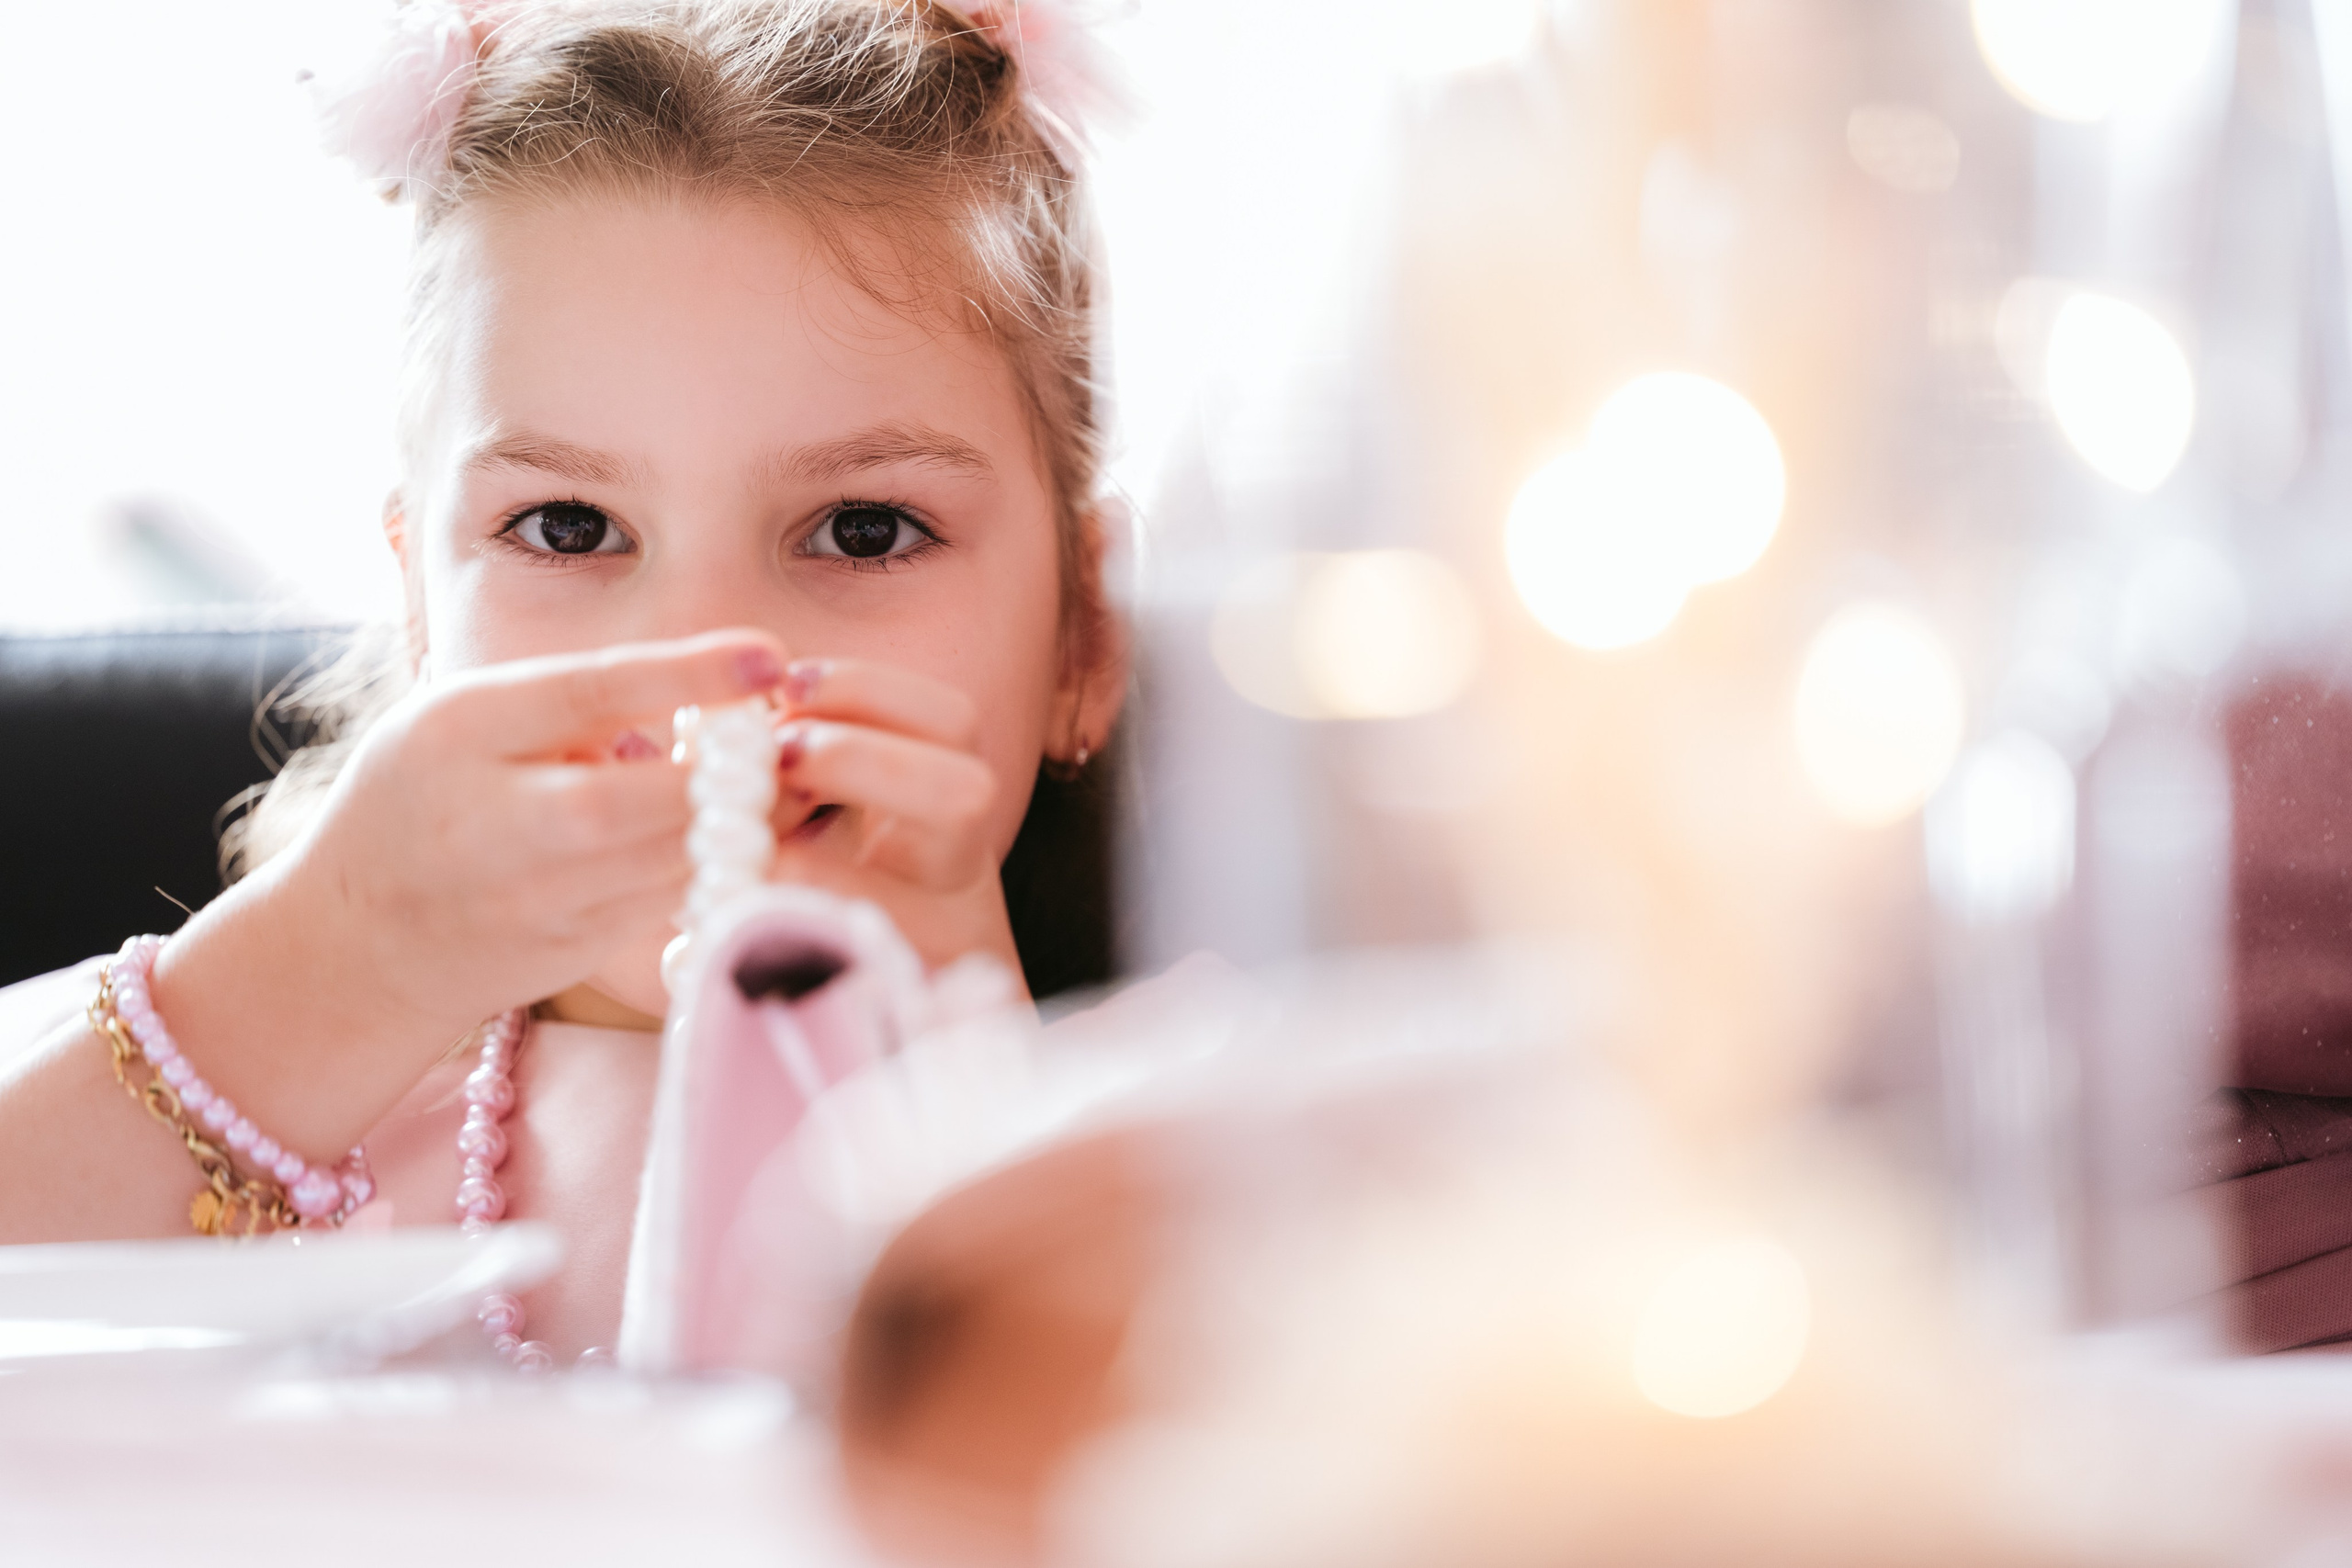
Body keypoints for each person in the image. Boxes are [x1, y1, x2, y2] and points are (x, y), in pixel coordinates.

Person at [0, 0, 1128, 1363]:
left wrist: (961, 1081)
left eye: (864, 532)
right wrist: (315, 979)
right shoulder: (280, 1086)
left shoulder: (1199, 1153)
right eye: (571, 528)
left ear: (1085, 638)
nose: (698, 664)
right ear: (423, 613)